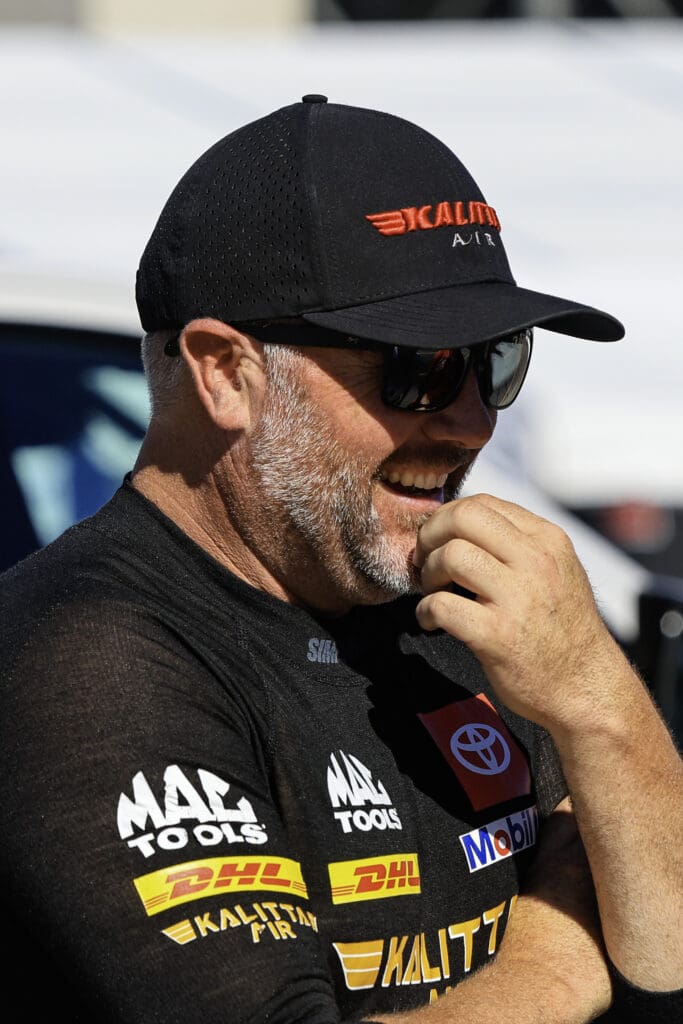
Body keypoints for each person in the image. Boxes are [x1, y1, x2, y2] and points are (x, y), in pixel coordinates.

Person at [1, 95, 681, 1024]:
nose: (472, 419)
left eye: (494, 359)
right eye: (417, 367)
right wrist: (562, 944)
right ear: (225, 372)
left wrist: (599, 704)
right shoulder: (82, 660)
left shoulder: (461, 609)